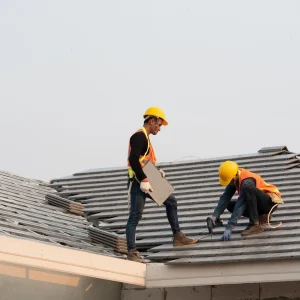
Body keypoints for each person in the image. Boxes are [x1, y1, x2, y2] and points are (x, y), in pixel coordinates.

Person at [126, 107, 199, 262]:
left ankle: (178, 236)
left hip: (147, 175)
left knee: (171, 201)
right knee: (135, 216)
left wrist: (155, 172)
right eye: (159, 125)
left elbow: (142, 160)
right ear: (152, 121)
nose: (159, 129)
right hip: (139, 180)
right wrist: (144, 179)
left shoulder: (145, 138)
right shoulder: (139, 136)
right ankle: (132, 252)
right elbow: (133, 160)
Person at [206, 160, 284, 241]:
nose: (230, 183)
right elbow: (225, 197)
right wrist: (215, 216)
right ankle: (261, 217)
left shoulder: (247, 181)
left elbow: (240, 204)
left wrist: (230, 226)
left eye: (230, 181)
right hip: (259, 205)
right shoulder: (234, 179)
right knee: (229, 205)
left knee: (247, 190)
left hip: (269, 203)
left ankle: (255, 225)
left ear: (235, 174)